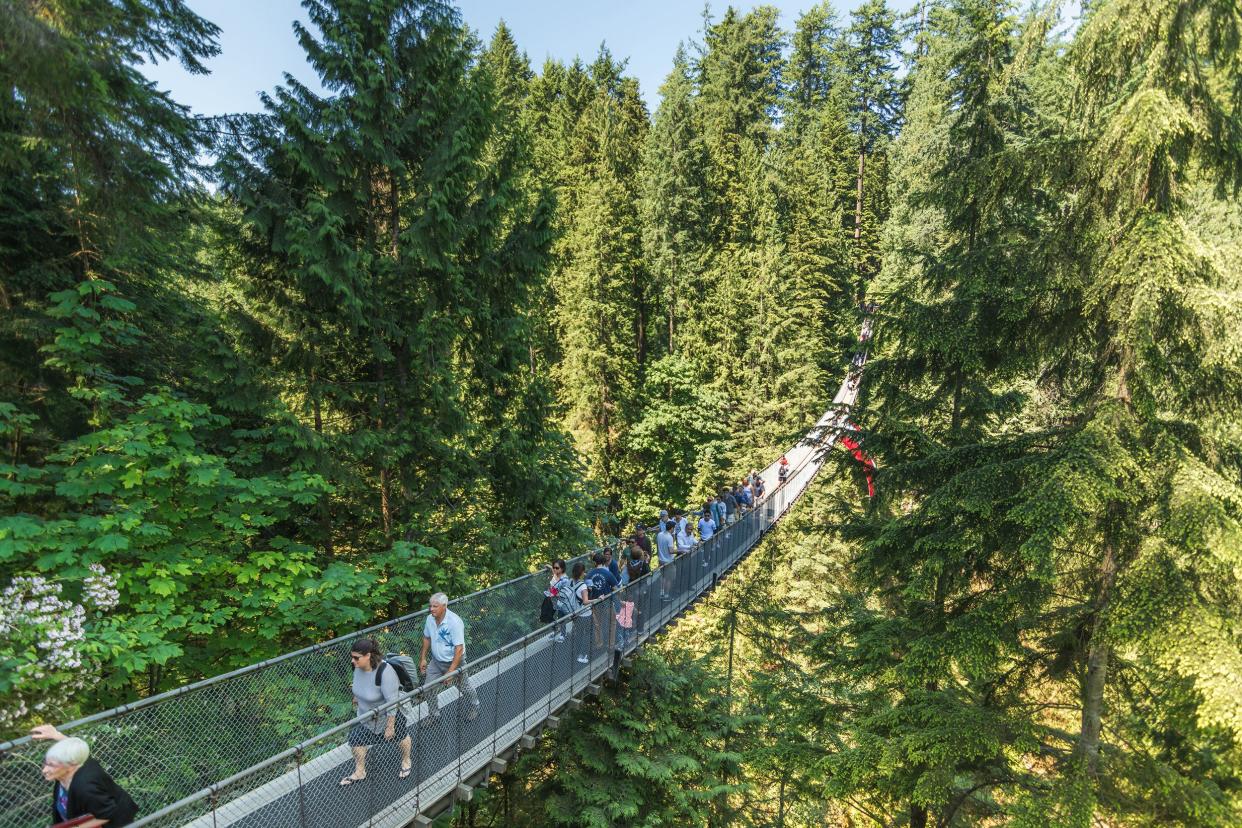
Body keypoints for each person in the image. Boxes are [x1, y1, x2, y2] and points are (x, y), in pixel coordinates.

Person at [31, 725, 138, 827]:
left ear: (70, 765)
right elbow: (76, 751)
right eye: (45, 763)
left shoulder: (85, 788)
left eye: (51, 765)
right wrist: (56, 735)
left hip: (114, 821)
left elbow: (108, 814)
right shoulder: (78, 762)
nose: (44, 770)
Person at [337, 638, 411, 785]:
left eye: (356, 658)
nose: (353, 661)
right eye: (352, 657)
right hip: (365, 715)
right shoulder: (358, 668)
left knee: (400, 736)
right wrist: (357, 697)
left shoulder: (385, 672)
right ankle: (360, 772)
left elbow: (392, 702)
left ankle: (406, 760)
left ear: (368, 656)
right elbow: (360, 685)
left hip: (388, 715)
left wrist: (390, 726)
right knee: (355, 739)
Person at [420, 593, 479, 724]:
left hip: (455, 662)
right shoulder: (430, 619)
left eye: (435, 606)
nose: (431, 609)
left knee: (464, 687)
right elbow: (426, 637)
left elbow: (459, 649)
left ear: (444, 606)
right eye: (430, 606)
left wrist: (451, 671)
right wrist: (423, 658)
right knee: (428, 688)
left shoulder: (454, 622)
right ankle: (434, 715)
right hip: (436, 661)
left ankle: (475, 705)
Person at [547, 559, 575, 643]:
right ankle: (558, 632)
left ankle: (563, 634)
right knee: (558, 617)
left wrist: (553, 593)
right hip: (557, 601)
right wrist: (549, 567)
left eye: (557, 568)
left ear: (562, 569)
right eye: (553, 568)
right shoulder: (557, 575)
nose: (555, 569)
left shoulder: (564, 580)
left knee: (562, 617)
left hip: (564, 602)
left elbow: (562, 593)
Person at [571, 561, 592, 664]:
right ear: (582, 572)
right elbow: (585, 601)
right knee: (587, 634)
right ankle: (582, 655)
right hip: (585, 614)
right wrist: (598, 599)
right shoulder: (583, 586)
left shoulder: (570, 582)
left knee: (578, 633)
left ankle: (576, 653)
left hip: (575, 613)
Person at [656, 520, 675, 600]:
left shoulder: (659, 534)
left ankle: (661, 592)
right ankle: (666, 595)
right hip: (668, 561)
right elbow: (671, 551)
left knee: (663, 577)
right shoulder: (669, 537)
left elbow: (658, 546)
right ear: (672, 528)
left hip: (661, 560)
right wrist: (681, 550)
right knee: (669, 578)